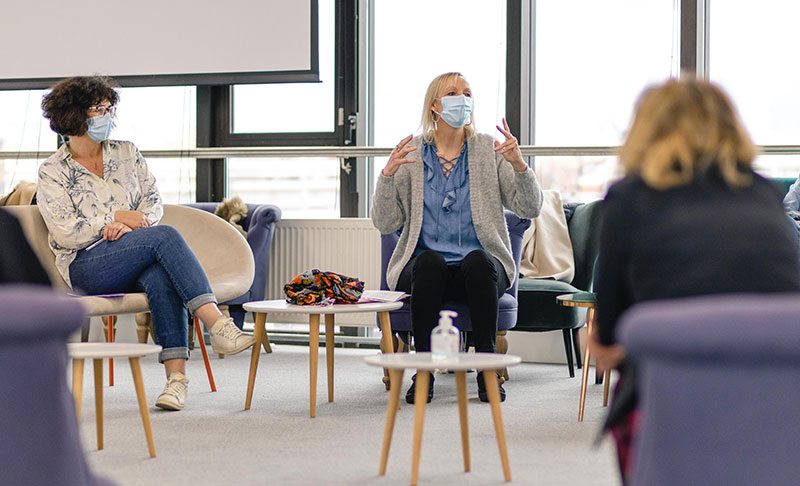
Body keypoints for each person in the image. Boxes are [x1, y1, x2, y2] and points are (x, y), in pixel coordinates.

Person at [590, 78, 800, 482]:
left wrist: (599, 341)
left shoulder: (627, 198)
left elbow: (613, 335)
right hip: (778, 403)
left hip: (671, 403)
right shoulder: (764, 196)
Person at [37, 76, 257, 411]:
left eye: (110, 108)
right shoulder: (53, 171)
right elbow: (66, 231)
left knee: (159, 274)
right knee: (166, 237)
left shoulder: (127, 153)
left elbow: (153, 203)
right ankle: (217, 324)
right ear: (75, 114)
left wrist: (133, 226)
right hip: (86, 266)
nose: (107, 116)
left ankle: (176, 381)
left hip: (135, 249)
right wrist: (114, 219)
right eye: (99, 109)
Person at [371, 72, 542, 403]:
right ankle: (423, 372)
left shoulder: (488, 150)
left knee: (478, 261)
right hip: (424, 271)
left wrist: (520, 166)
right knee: (430, 263)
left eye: (467, 92)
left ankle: (487, 370)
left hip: (478, 271)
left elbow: (530, 207)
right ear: (435, 105)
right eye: (452, 92)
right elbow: (384, 222)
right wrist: (387, 177)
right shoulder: (412, 153)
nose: (462, 99)